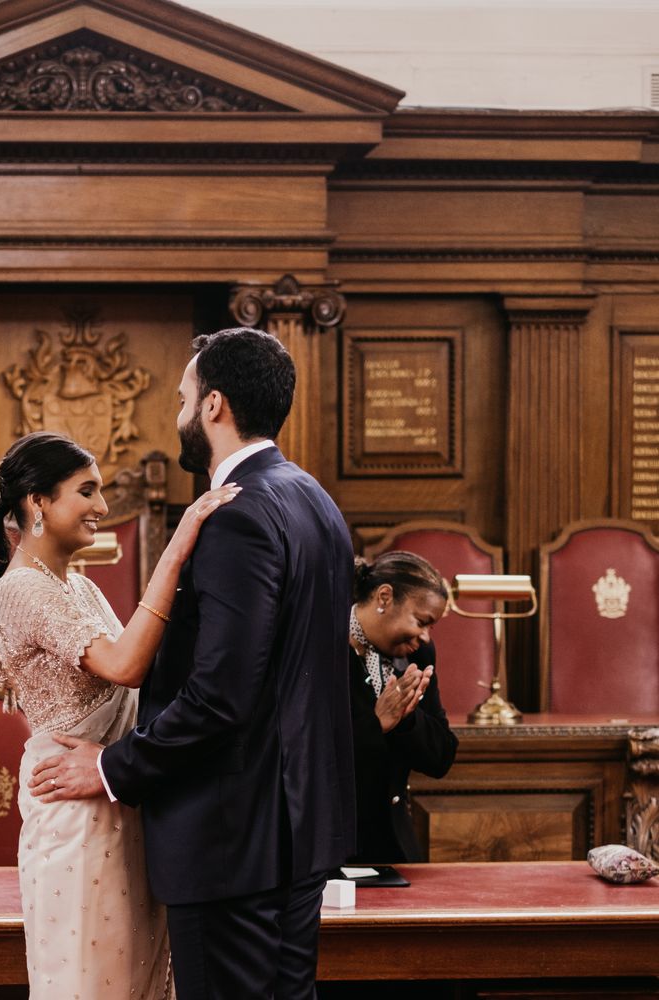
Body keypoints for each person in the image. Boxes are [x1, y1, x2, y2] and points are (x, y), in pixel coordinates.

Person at [29, 327, 357, 1000]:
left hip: (232, 838)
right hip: (298, 832)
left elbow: (221, 696)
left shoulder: (239, 512)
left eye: (182, 398)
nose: (177, 415)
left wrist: (110, 767)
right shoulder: (314, 501)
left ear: (213, 406)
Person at [0, 430, 240, 1000]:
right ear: (37, 502)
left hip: (118, 797)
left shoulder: (78, 588)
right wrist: (177, 549)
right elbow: (126, 665)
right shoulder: (21, 591)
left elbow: (143, 677)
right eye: (87, 490)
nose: (103, 507)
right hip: (75, 819)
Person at [347, 550, 459, 863]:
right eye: (422, 622)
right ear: (384, 597)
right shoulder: (321, 644)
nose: (425, 637)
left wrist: (407, 720)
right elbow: (306, 753)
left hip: (393, 845)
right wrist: (376, 724)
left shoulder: (417, 656)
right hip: (333, 845)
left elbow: (441, 758)